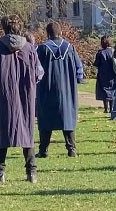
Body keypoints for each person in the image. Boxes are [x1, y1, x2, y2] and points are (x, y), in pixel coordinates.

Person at [0, 15, 41, 183]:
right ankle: (31, 172)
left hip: (3, 96)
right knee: (26, 130)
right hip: (26, 97)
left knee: (2, 131)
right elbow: (39, 73)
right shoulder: (30, 49)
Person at [35, 21, 83, 158]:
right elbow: (79, 68)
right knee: (67, 117)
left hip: (47, 88)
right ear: (61, 32)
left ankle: (43, 150)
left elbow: (35, 69)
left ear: (47, 33)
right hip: (67, 89)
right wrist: (78, 79)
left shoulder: (42, 49)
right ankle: (71, 148)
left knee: (46, 117)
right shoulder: (70, 48)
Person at [92, 35, 116, 111]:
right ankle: (112, 107)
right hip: (113, 73)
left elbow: (96, 64)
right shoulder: (113, 51)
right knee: (113, 89)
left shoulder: (100, 53)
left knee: (104, 91)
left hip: (103, 74)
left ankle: (106, 108)